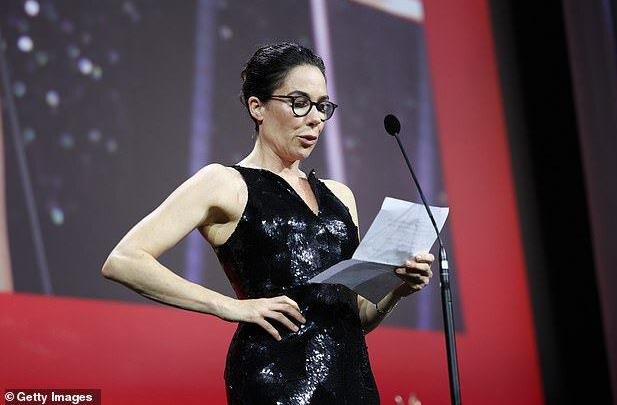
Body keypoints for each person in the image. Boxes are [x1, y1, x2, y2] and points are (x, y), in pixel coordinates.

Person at [102, 42, 434, 404]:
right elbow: (124, 260)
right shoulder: (225, 183)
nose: (316, 118)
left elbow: (355, 318)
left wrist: (397, 289)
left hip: (353, 383)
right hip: (274, 380)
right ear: (257, 107)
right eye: (299, 102)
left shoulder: (341, 196)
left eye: (322, 106)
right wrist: (230, 307)